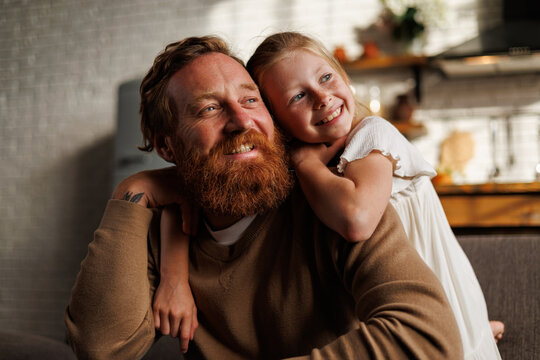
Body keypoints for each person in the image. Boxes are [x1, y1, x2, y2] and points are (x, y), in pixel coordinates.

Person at [64, 35, 463, 360]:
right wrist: (131, 190)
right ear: (167, 147)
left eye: (251, 100)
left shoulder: (330, 199)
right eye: (209, 109)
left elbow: (428, 338)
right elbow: (101, 350)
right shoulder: (165, 227)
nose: (241, 121)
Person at [244, 31, 503, 359]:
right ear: (276, 122)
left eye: (326, 77)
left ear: (343, 75)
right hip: (377, 302)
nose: (322, 97)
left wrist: (304, 163)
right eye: (298, 97)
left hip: (427, 299)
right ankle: (478, 325)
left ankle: (474, 326)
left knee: (462, 343)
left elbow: (357, 220)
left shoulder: (372, 135)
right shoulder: (305, 166)